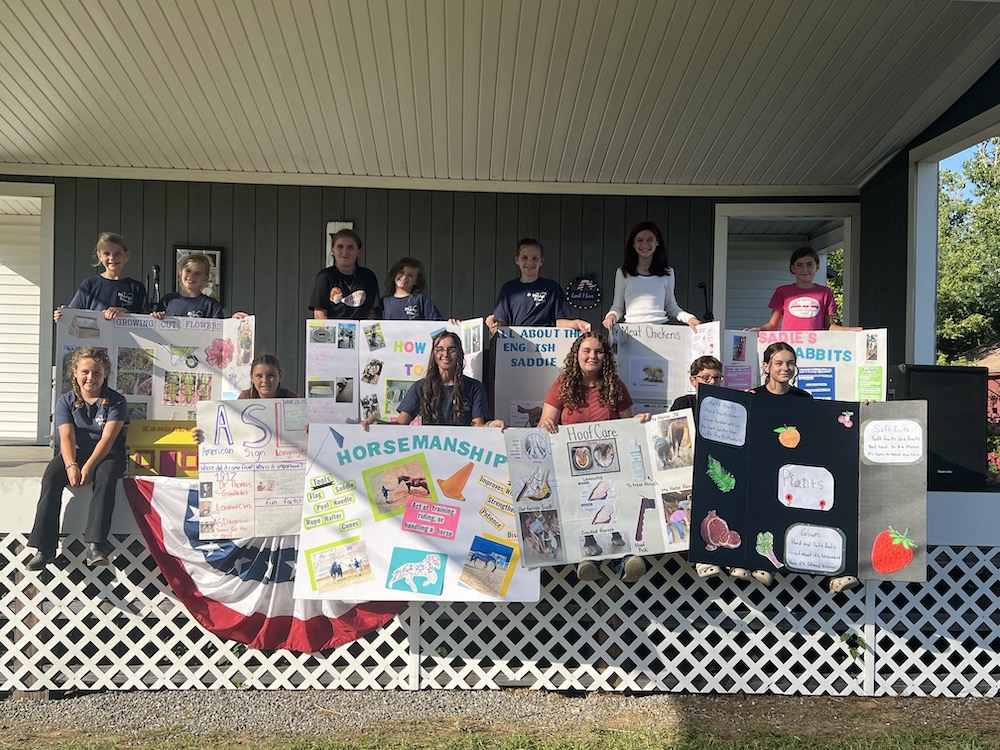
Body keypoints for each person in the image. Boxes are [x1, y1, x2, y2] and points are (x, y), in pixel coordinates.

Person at [538, 332, 650, 583]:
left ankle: (626, 559)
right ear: (576, 355)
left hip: (611, 466)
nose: (593, 356)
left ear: (606, 357)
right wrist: (546, 425)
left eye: (599, 351)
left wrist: (639, 423)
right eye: (586, 351)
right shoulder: (561, 386)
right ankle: (589, 557)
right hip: (573, 468)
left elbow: (628, 428)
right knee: (584, 500)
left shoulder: (616, 386)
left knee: (614, 499)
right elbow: (543, 425)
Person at [749, 342, 859, 593]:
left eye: (790, 363)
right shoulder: (753, 396)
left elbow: (813, 435)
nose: (785, 368)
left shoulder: (803, 399)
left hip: (793, 471)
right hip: (763, 468)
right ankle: (760, 563)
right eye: (778, 363)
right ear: (766, 367)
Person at [27, 347, 128, 570]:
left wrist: (89, 467)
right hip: (76, 451)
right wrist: (71, 465)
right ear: (74, 372)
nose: (90, 378)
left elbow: (108, 439)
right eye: (85, 372)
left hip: (108, 454)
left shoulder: (117, 401)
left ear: (105, 373)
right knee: (52, 477)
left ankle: (95, 546)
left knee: (106, 477)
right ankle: (45, 548)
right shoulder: (66, 400)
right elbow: (66, 436)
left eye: (96, 373)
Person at [365, 331, 503, 428]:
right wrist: (377, 423)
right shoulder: (421, 387)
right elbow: (400, 424)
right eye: (440, 350)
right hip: (430, 456)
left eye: (451, 350)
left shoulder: (475, 387)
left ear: (459, 354)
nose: (445, 354)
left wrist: (490, 425)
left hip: (463, 455)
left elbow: (477, 425)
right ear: (434, 355)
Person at [602, 221, 700, 331]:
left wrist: (689, 318)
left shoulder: (667, 273)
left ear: (657, 242)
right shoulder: (623, 272)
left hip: (660, 331)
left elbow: (671, 306)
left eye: (650, 240)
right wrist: (610, 316)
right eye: (640, 240)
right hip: (631, 331)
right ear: (633, 244)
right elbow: (618, 307)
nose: (644, 245)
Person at [486, 238, 589, 334]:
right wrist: (494, 323)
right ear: (517, 260)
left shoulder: (552, 288)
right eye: (524, 258)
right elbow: (502, 321)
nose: (529, 262)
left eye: (535, 258)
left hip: (546, 347)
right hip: (516, 346)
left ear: (541, 261)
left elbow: (559, 322)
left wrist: (574, 323)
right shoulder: (508, 289)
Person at [747, 246, 860, 332]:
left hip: (814, 350)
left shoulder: (825, 292)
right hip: (789, 348)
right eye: (799, 265)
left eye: (810, 264)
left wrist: (849, 330)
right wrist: (758, 330)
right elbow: (772, 325)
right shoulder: (782, 292)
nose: (805, 269)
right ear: (793, 268)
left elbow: (829, 325)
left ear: (817, 266)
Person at [54, 232, 149, 321]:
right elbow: (73, 315)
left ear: (126, 255)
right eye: (106, 253)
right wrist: (63, 314)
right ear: (99, 256)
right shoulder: (89, 284)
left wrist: (126, 314)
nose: (112, 258)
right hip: (93, 338)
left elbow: (146, 322)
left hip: (125, 339)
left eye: (118, 253)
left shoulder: (137, 287)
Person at [309, 229, 380, 320]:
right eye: (340, 247)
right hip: (333, 331)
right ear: (333, 251)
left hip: (361, 331)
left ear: (359, 251)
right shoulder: (325, 277)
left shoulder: (368, 276)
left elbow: (371, 313)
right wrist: (327, 333)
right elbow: (319, 314)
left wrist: (368, 334)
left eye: (350, 247)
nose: (345, 251)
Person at [152, 253, 231, 319]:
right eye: (188, 271)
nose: (191, 276)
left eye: (198, 273)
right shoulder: (167, 300)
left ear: (206, 278)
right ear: (180, 273)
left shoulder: (212, 305)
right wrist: (157, 317)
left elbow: (219, 332)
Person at [380, 257, 444, 321]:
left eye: (410, 275)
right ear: (394, 274)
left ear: (417, 281)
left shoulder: (421, 300)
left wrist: (449, 323)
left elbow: (438, 324)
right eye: (401, 272)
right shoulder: (384, 302)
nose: (404, 277)